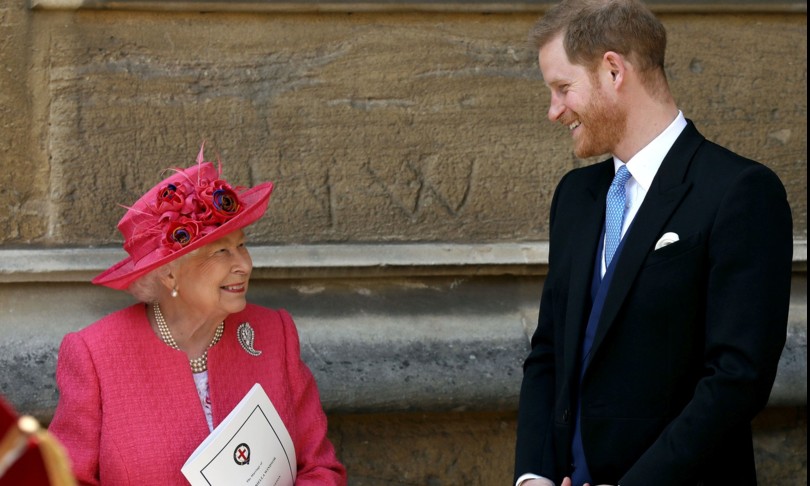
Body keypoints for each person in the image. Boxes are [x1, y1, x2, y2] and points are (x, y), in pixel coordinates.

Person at [513, 1, 793, 485]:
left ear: (613, 70)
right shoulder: (576, 197)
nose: (554, 111)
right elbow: (549, 353)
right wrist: (533, 475)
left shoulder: (739, 191)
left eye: (563, 88)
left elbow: (736, 380)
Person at [49, 144, 347, 485]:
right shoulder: (95, 356)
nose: (244, 265)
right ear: (169, 273)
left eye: (242, 245)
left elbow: (322, 471)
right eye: (221, 251)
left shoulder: (274, 333)